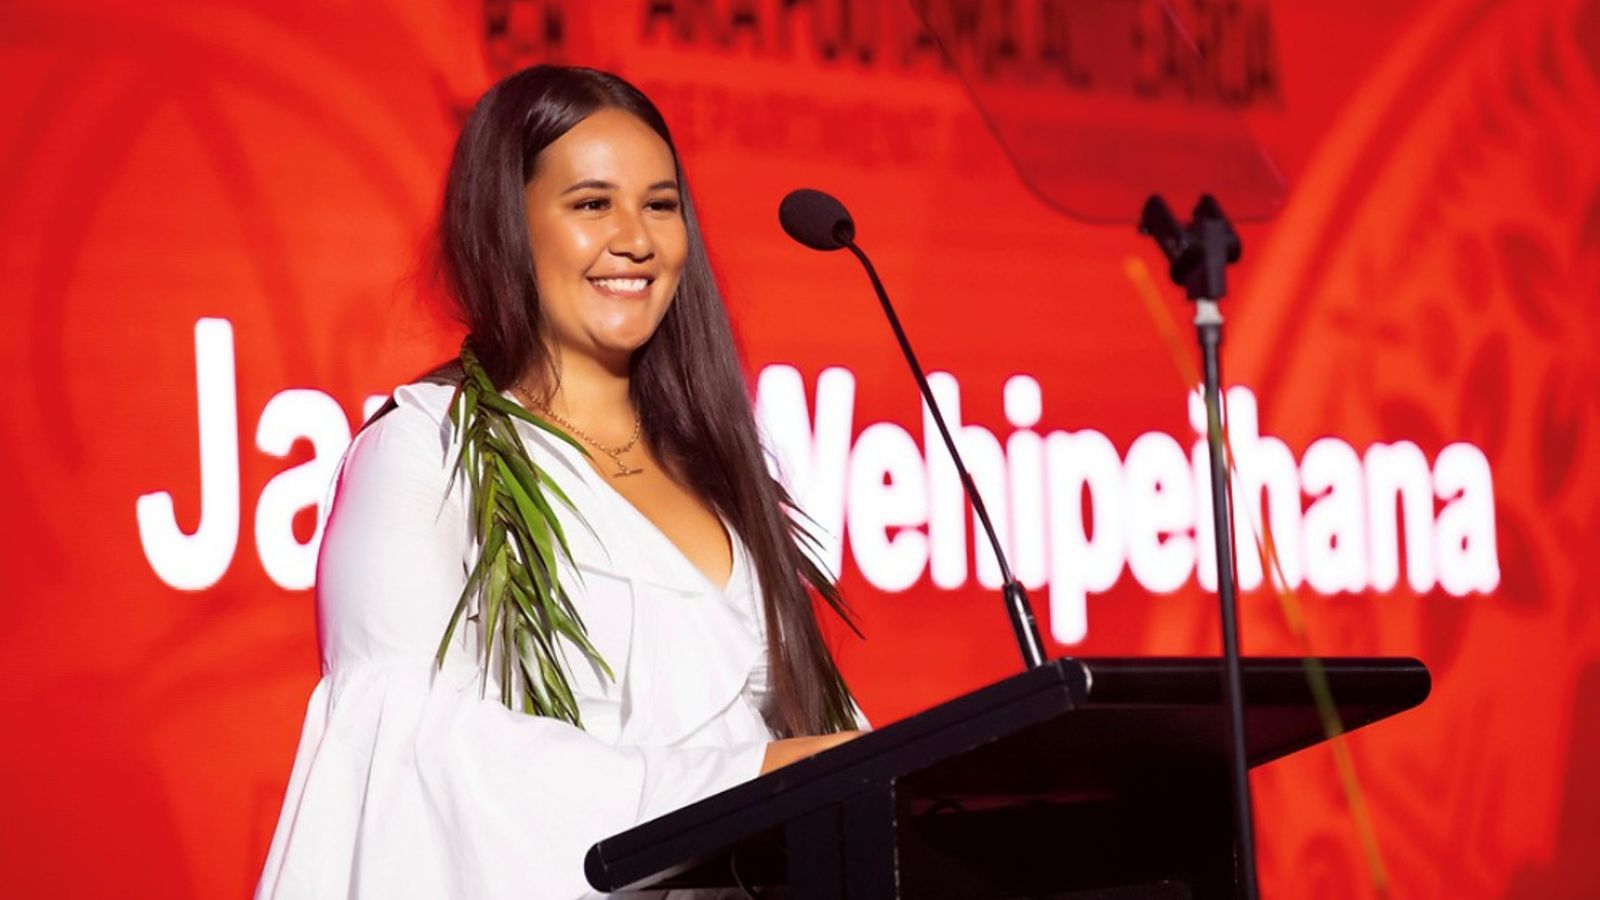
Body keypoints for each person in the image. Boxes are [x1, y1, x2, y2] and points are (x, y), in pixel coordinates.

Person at [254, 65, 863, 899]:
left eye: (659, 204)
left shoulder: (723, 468)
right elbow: (411, 756)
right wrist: (746, 779)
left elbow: (820, 745)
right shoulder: (425, 452)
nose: (636, 238)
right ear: (507, 226)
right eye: (590, 205)